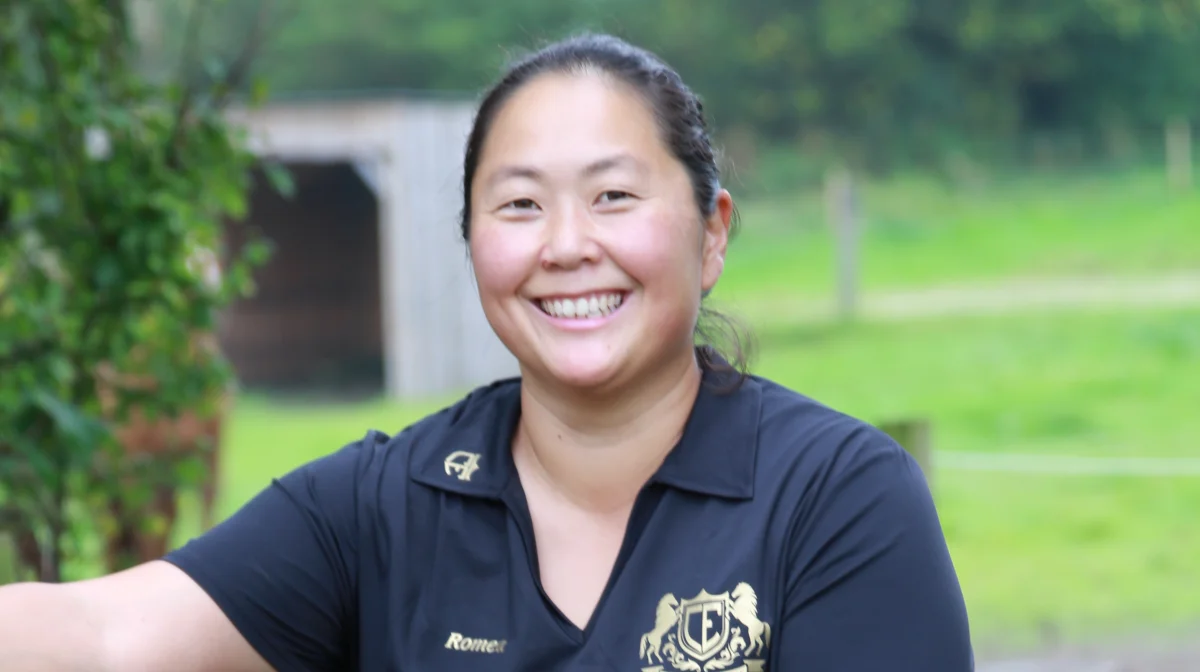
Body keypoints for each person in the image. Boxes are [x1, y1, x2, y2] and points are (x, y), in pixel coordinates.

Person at [0, 33, 974, 671]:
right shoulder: (380, 506)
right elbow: (104, 637)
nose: (564, 244)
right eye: (518, 204)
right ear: (473, 245)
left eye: (614, 197)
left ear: (712, 232)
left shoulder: (837, 500)